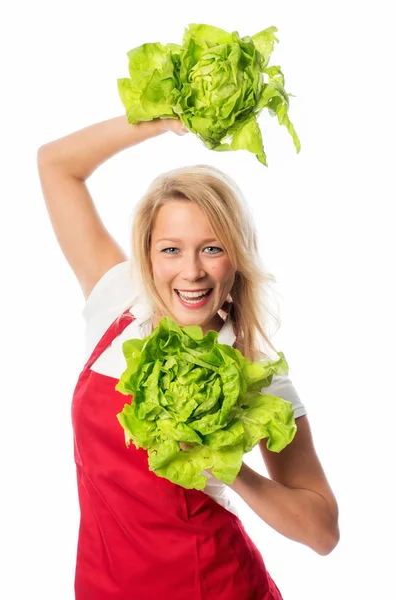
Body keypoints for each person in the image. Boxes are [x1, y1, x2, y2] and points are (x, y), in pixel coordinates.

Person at [37, 115, 340, 600]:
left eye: (212, 248)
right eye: (171, 249)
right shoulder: (118, 302)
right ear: (149, 254)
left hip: (214, 587)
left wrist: (229, 469)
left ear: (236, 257)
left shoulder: (257, 374)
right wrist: (158, 122)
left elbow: (322, 532)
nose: (192, 272)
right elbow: (54, 165)